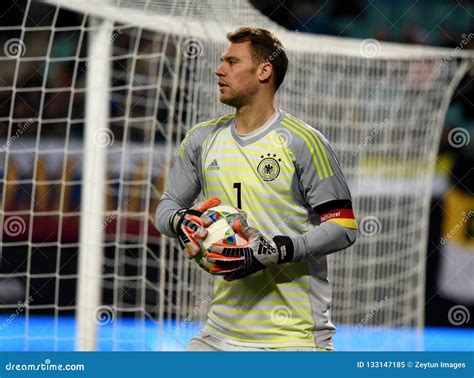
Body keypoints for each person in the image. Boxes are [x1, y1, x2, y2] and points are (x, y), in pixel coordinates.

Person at [155, 27, 358, 351]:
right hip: (219, 333)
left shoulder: (303, 141)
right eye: (222, 61)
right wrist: (182, 222)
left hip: (294, 338)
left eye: (232, 62)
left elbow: (344, 227)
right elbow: (166, 208)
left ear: (265, 70)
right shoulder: (201, 139)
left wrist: (276, 250)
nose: (219, 69)